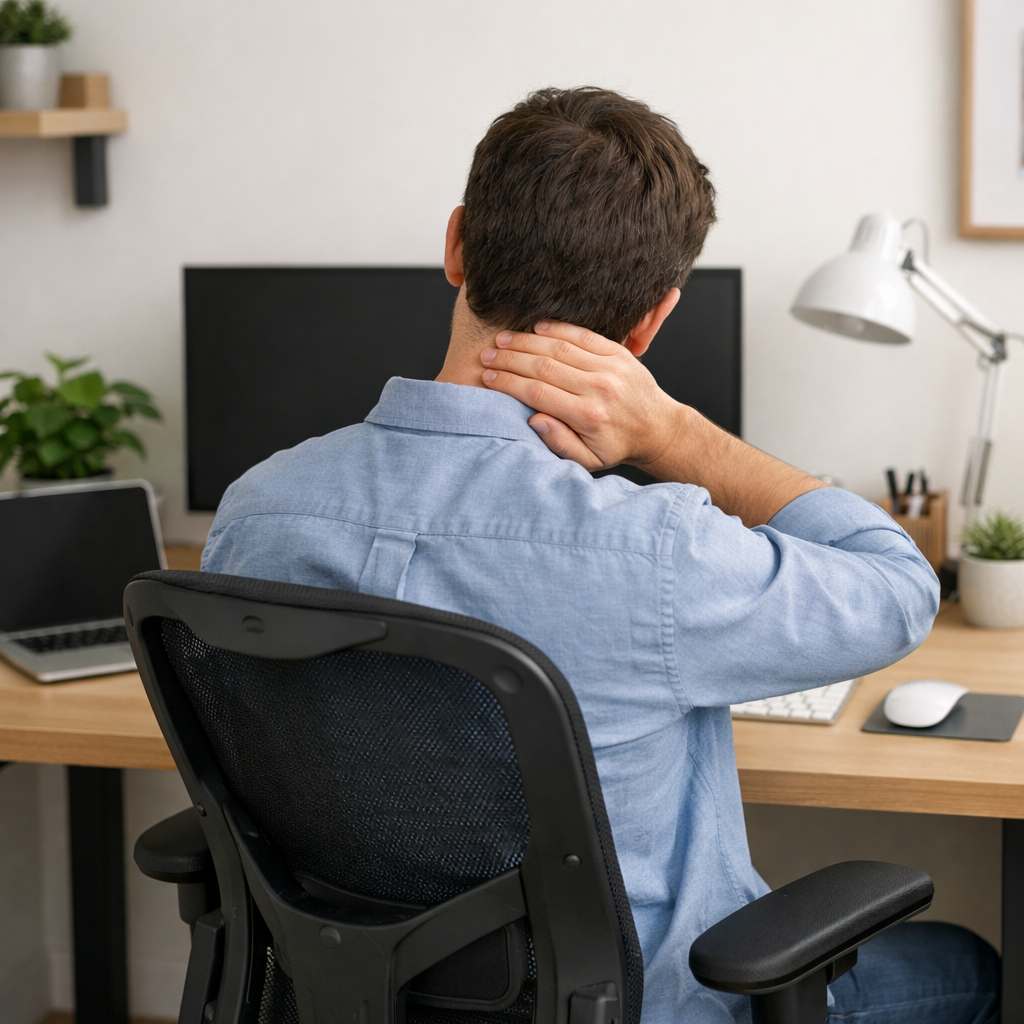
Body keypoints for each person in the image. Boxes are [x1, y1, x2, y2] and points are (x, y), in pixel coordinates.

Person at [202, 87, 998, 1023]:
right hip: (640, 1004)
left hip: (360, 998)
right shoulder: (656, 549)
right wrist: (678, 434)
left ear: (456, 244)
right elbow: (901, 587)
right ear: (651, 324)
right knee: (969, 968)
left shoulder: (254, 513)